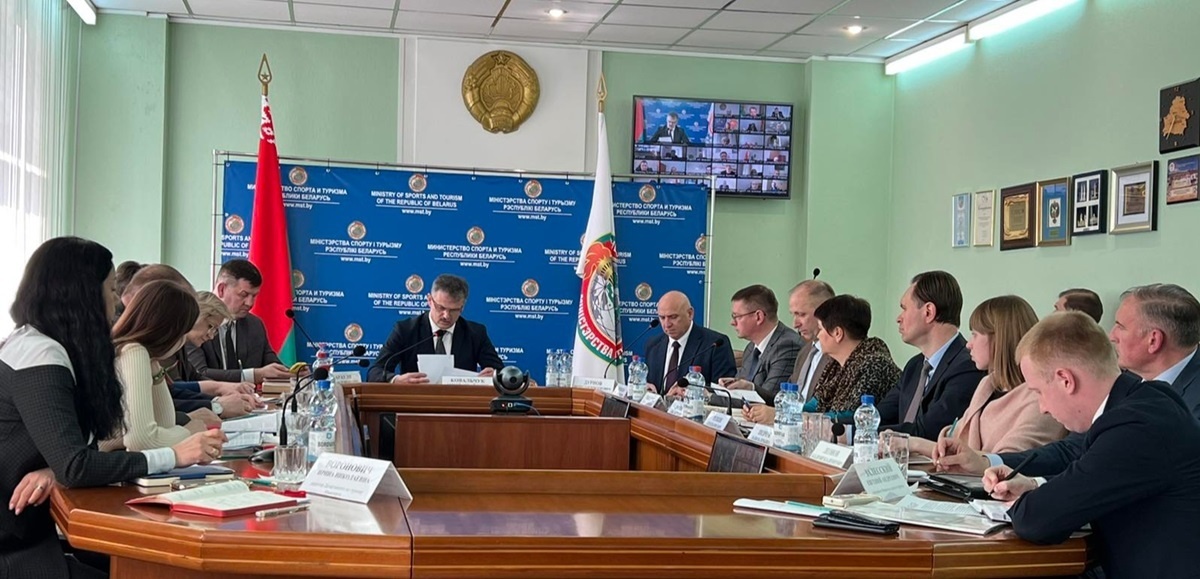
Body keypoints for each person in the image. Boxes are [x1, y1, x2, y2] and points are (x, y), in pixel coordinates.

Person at [0, 237, 224, 578]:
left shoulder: (49, 346)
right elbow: (76, 466)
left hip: (32, 533)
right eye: (110, 289)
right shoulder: (38, 356)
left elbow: (78, 451)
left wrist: (55, 468)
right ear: (83, 294)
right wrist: (174, 455)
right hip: (15, 548)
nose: (117, 301)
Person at [979, 312, 1200, 579]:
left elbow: (1037, 520)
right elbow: (1091, 474)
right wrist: (1034, 485)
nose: (1042, 407)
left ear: (1065, 380)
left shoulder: (1136, 427)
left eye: (1038, 392)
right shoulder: (1144, 401)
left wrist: (1028, 502)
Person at [907, 296, 1066, 457]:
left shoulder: (1040, 399)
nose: (968, 344)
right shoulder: (987, 385)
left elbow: (1009, 461)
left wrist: (915, 444)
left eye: (975, 334)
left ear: (999, 338)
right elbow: (952, 445)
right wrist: (911, 443)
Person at [102, 280, 208, 452]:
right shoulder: (133, 352)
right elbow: (141, 441)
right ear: (169, 332)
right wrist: (189, 432)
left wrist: (155, 365)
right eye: (183, 333)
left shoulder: (144, 356)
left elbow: (164, 424)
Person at [877, 271, 985, 438]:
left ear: (928, 312)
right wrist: (841, 428)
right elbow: (877, 417)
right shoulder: (914, 366)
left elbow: (929, 431)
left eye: (904, 308)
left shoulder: (968, 366)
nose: (899, 318)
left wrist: (864, 434)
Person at [368, 274, 503, 384]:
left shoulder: (475, 333)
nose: (446, 316)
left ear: (462, 307)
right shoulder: (406, 330)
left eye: (454, 310)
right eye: (441, 308)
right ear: (429, 300)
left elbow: (502, 373)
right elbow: (375, 371)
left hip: (460, 404)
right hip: (415, 403)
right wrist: (396, 380)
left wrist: (494, 376)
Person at [186, 259, 291, 384]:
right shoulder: (195, 319)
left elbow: (270, 365)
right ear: (221, 289)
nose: (250, 303)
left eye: (254, 296)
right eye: (243, 295)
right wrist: (254, 375)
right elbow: (199, 373)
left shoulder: (255, 325)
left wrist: (290, 372)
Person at [745, 281, 835, 424]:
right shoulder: (805, 351)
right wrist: (754, 403)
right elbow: (784, 397)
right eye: (793, 314)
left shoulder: (837, 356)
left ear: (824, 314)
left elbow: (826, 412)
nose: (795, 324)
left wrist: (778, 415)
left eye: (801, 314)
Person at [1109, 284, 1200, 416]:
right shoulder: (1125, 378)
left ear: (1153, 341)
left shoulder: (1193, 409)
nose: (1112, 336)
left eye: (1121, 327)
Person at [166, 291, 259, 419]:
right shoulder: (165, 347)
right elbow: (171, 392)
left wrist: (224, 389)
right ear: (194, 316)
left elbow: (194, 377)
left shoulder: (179, 346)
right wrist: (217, 403)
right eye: (210, 326)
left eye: (215, 330)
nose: (210, 336)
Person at [718, 285, 802, 404]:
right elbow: (739, 392)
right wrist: (729, 386)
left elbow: (771, 398)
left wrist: (711, 398)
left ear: (758, 317)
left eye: (737, 316)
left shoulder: (787, 346)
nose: (732, 322)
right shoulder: (751, 348)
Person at [645, 291, 736, 395]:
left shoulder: (715, 344)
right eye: (662, 318)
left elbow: (724, 391)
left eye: (673, 317)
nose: (667, 324)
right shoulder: (653, 345)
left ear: (690, 314)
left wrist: (690, 392)